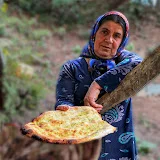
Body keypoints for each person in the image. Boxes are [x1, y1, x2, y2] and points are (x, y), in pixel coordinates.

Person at [55, 11, 142, 160]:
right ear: (95, 33)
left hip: (118, 148)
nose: (109, 40)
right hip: (83, 145)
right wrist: (65, 109)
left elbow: (139, 63)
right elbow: (64, 99)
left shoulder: (125, 65)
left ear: (122, 42)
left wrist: (98, 84)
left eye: (116, 36)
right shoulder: (71, 68)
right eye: (105, 32)